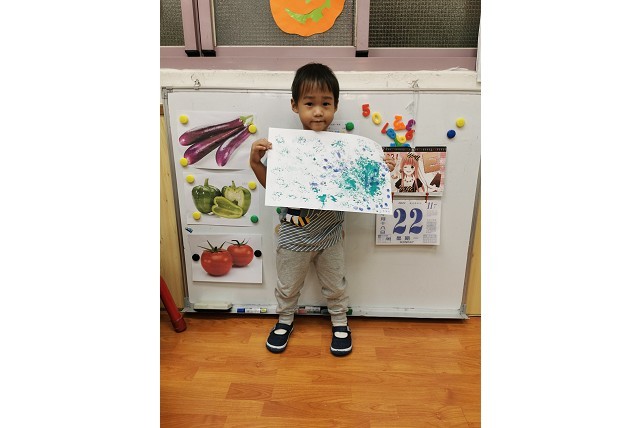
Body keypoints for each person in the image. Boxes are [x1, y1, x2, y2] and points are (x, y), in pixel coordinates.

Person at [249, 63, 363, 357]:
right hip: (293, 236)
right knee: (288, 285)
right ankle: (284, 320)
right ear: (294, 105)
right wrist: (255, 163)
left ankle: (340, 321)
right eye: (309, 104)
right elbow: (273, 187)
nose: (318, 112)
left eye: (326, 104)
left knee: (335, 285)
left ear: (335, 106)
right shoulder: (285, 148)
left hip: (330, 234)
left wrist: (377, 169)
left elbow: (355, 188)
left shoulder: (344, 149)